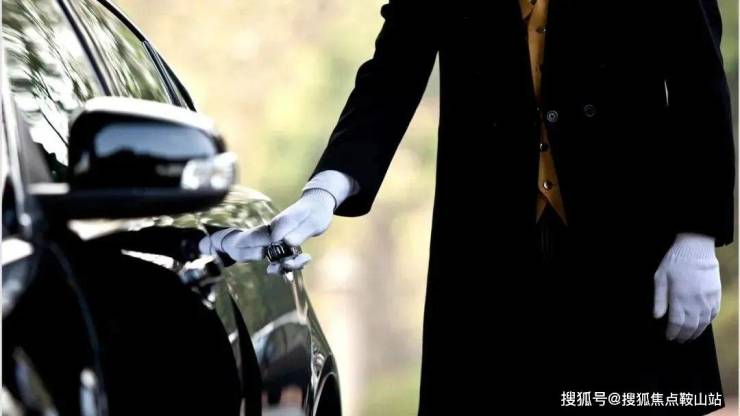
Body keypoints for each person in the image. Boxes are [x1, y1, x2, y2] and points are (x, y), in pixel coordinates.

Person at [202, 0, 735, 413]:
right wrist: (326, 192)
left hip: (630, 248)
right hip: (487, 254)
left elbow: (700, 84)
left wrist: (696, 239)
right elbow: (392, 73)